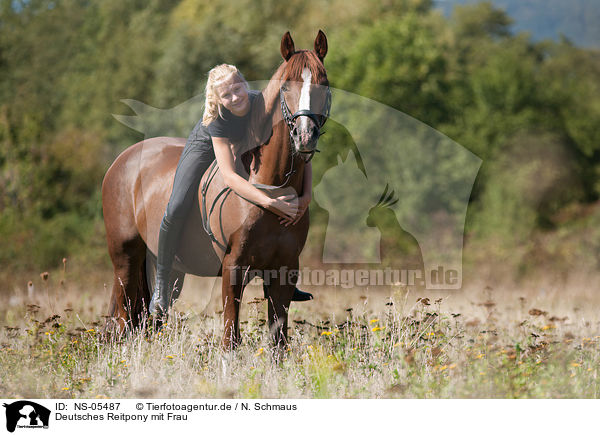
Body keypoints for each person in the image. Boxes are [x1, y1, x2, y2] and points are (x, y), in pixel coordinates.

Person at [150, 64, 313, 317]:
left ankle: (284, 282)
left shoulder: (264, 103)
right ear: (217, 99)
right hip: (206, 146)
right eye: (227, 95)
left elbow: (299, 149)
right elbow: (228, 176)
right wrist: (270, 204)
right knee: (177, 204)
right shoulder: (217, 119)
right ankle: (161, 283)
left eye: (238, 89)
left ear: (245, 84)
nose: (235, 97)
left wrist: (306, 195)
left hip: (245, 144)